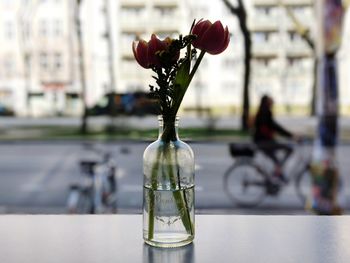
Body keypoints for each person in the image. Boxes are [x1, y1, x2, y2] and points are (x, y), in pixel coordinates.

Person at [253, 95, 298, 183]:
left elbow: (274, 127)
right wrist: (291, 135)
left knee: (276, 159)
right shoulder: (265, 112)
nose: (273, 102)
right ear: (266, 102)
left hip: (263, 142)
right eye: (271, 101)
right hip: (264, 142)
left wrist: (290, 135)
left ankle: (277, 174)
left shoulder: (263, 111)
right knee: (289, 149)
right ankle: (278, 173)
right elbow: (275, 127)